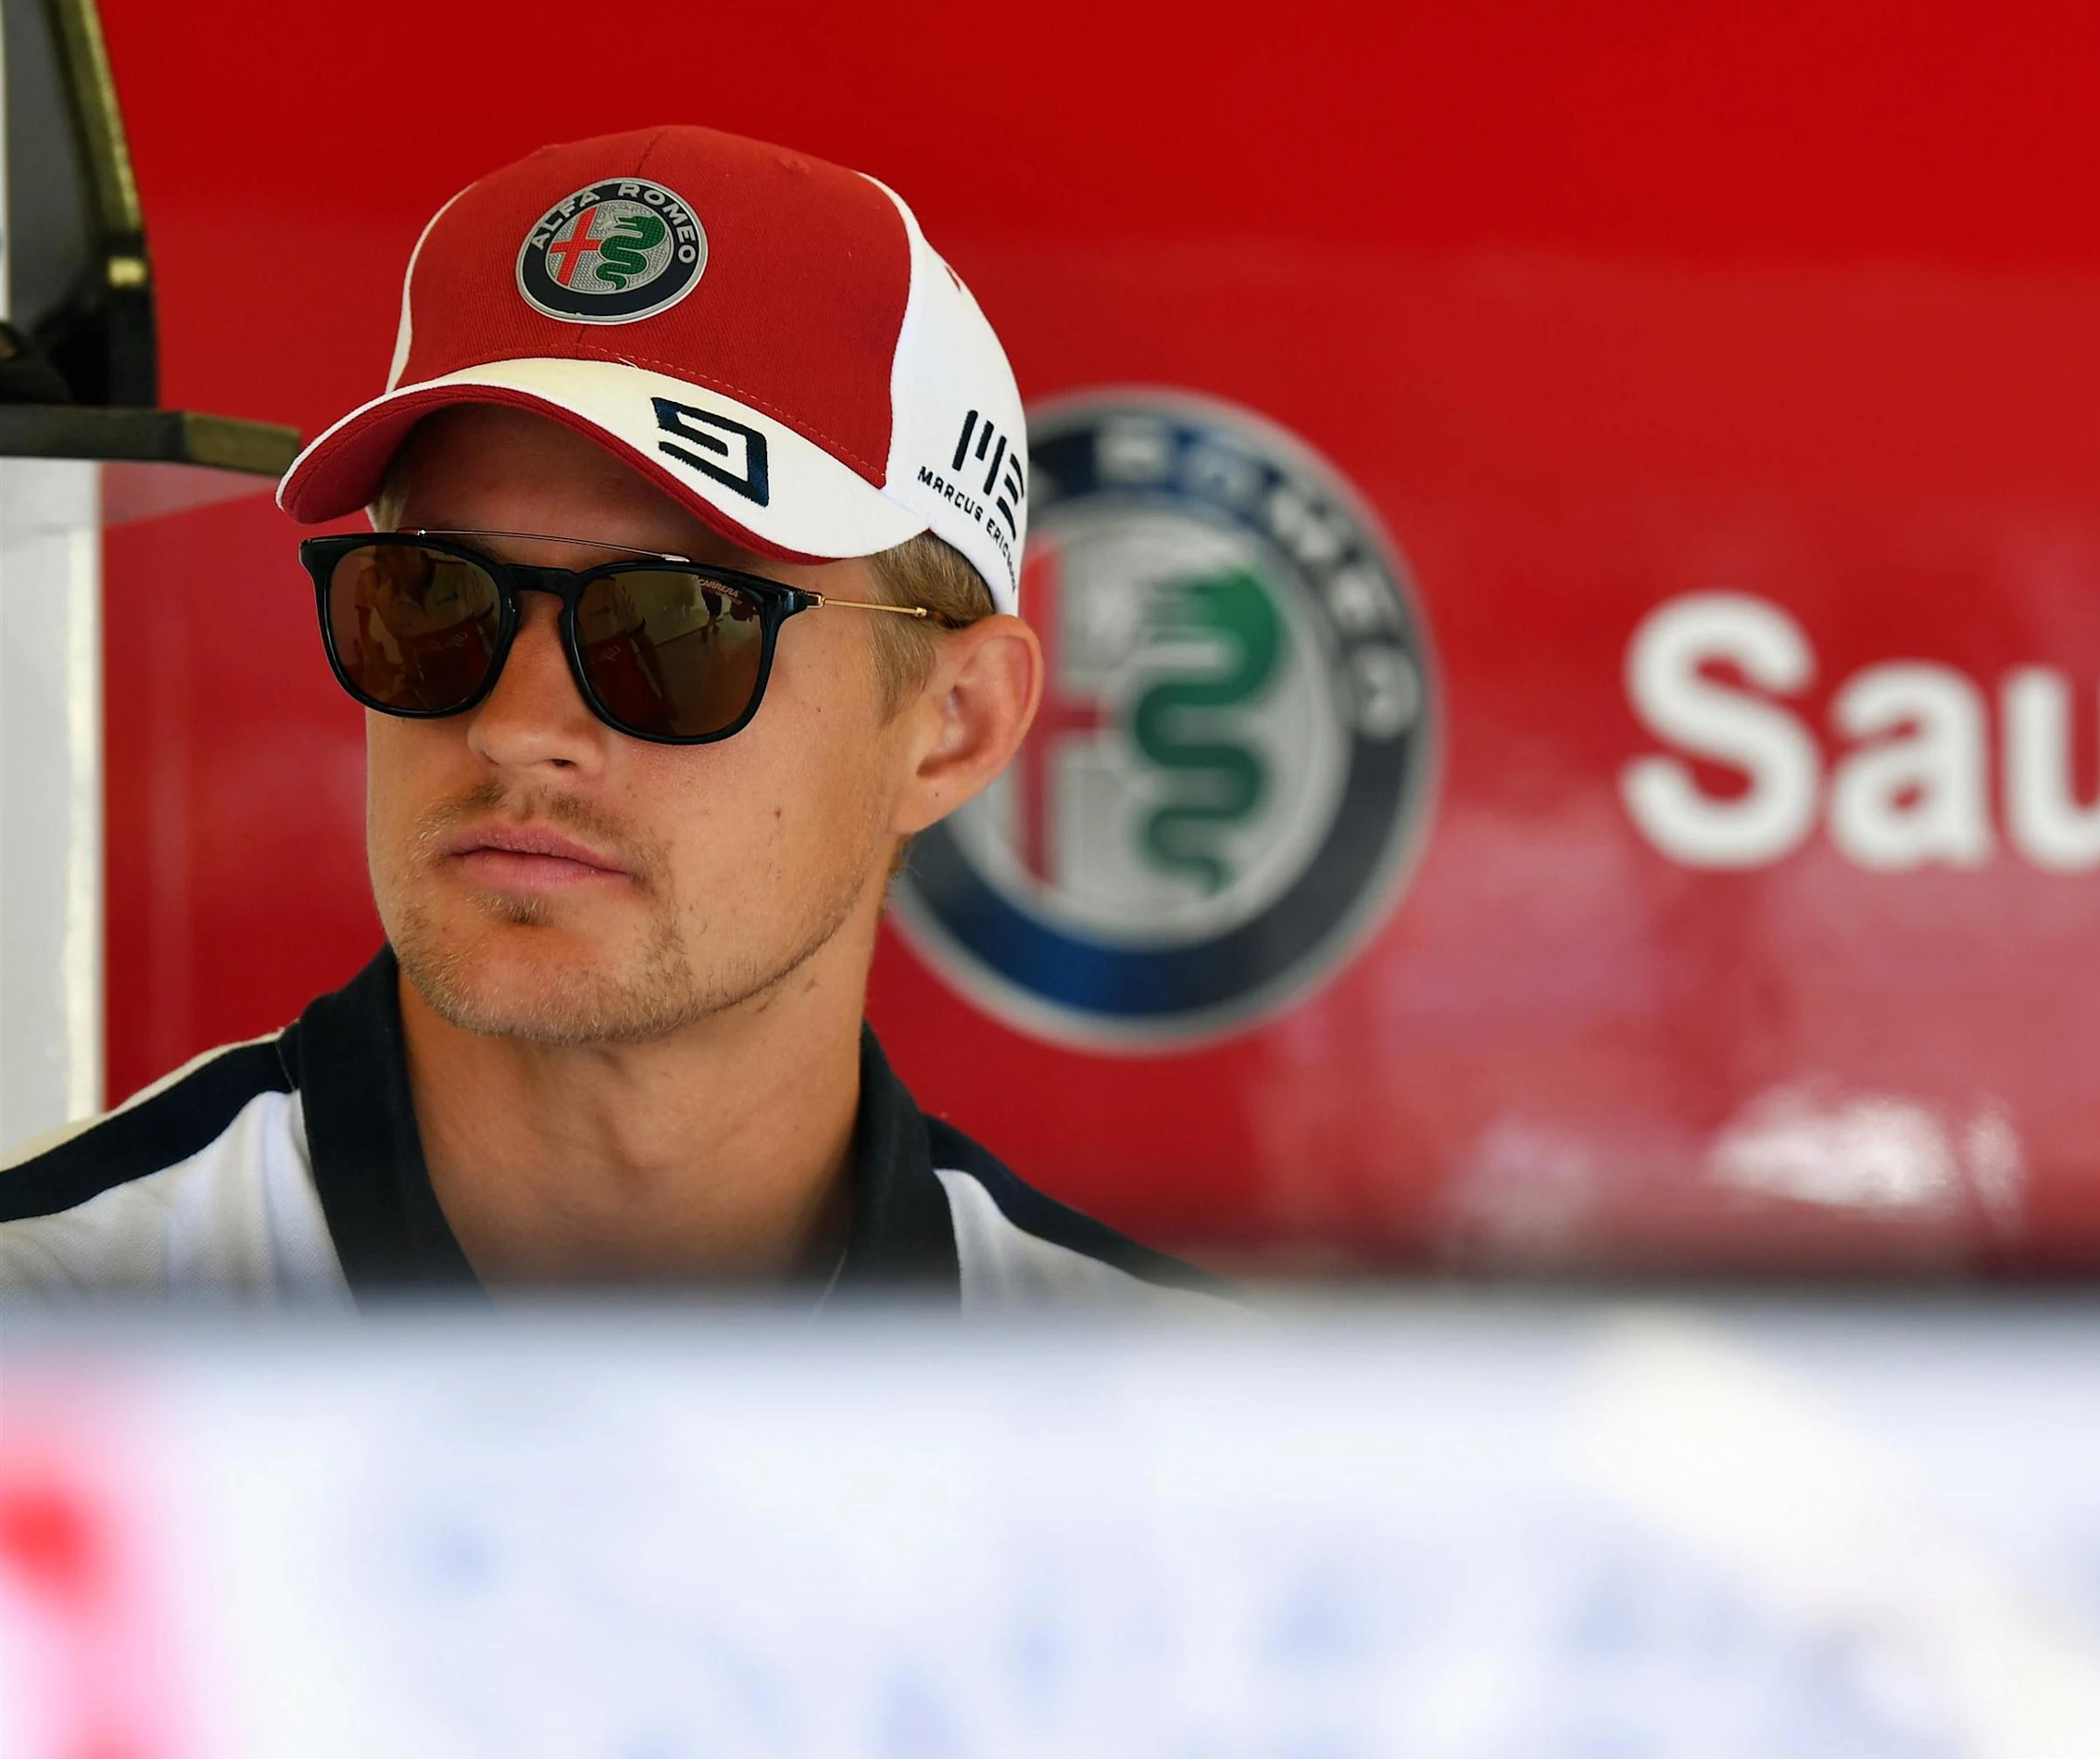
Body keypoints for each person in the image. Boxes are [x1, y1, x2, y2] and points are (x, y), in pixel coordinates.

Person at [0, 127, 1217, 1306]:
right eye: (432, 599)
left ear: (955, 723)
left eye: (683, 624)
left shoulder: (1176, 1443)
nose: (519, 724)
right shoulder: (48, 1337)